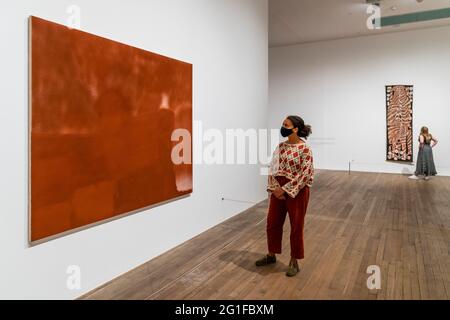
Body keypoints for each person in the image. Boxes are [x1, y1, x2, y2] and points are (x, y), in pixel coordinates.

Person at [255, 115, 314, 277]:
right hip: (278, 190)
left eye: (286, 124)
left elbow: (306, 173)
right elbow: (273, 167)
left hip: (298, 191)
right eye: (282, 124)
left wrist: (286, 189)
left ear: (295, 129)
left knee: (296, 226)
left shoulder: (305, 149)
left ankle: (294, 260)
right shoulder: (281, 147)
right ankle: (271, 254)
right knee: (272, 222)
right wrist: (274, 188)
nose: (282, 126)